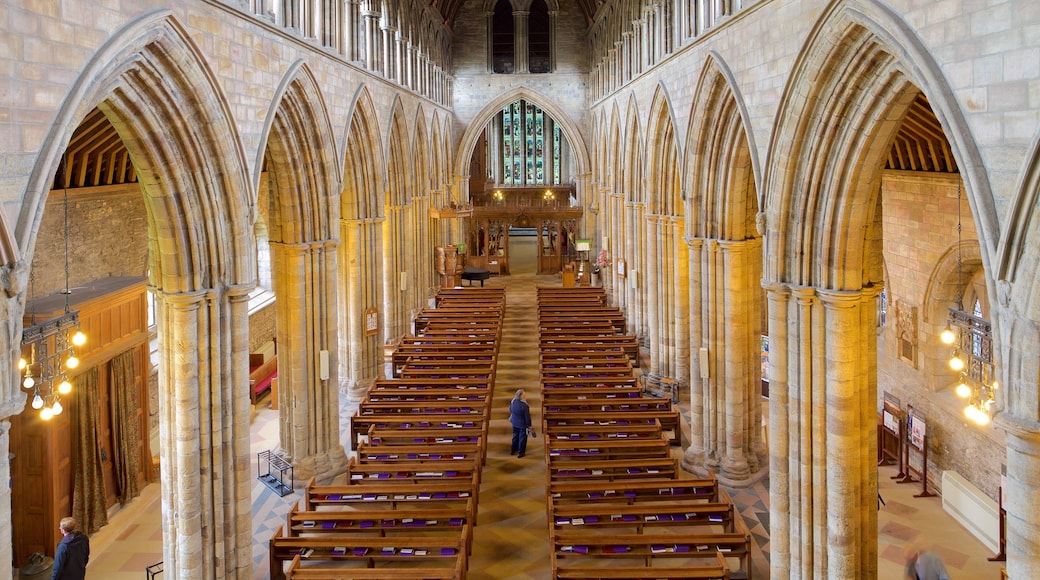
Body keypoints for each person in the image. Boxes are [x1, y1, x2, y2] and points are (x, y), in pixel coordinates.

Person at [508, 388, 533, 458]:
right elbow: (527, 417)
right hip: (522, 424)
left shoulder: (513, 401)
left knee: (515, 437)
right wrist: (529, 426)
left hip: (514, 422)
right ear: (521, 396)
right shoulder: (524, 405)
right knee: (522, 439)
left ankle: (513, 450)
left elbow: (510, 410)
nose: (525, 396)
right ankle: (520, 453)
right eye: (524, 395)